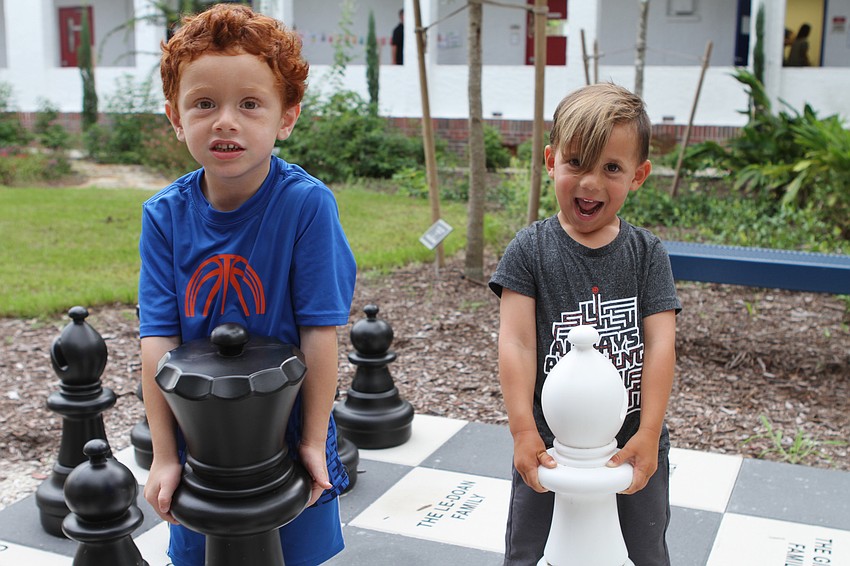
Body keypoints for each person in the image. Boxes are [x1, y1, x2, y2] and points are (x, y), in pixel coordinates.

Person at [138, 4, 356, 566]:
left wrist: (311, 439)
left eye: (250, 104)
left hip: (286, 431)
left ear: (287, 117)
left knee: (293, 555)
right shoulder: (164, 215)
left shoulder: (306, 206)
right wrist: (165, 454)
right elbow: (157, 341)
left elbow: (320, 333)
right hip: (201, 439)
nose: (225, 121)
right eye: (204, 103)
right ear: (174, 116)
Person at [489, 82, 681, 565]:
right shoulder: (530, 250)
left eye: (611, 168)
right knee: (528, 549)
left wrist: (651, 432)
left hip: (632, 438)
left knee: (645, 548)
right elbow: (516, 343)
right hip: (549, 442)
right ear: (551, 160)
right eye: (577, 162)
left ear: (638, 176)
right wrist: (521, 431)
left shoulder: (647, 254)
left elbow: (661, 346)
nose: (591, 182)